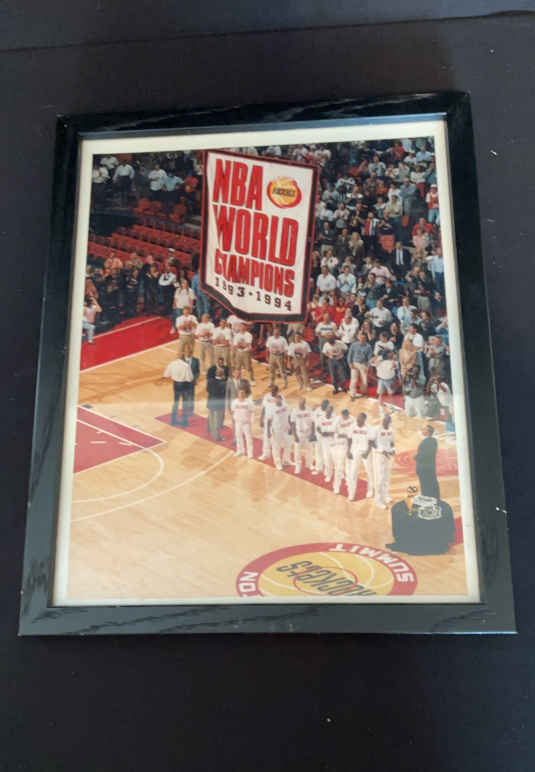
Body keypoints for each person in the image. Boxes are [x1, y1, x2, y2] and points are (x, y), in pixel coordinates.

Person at [346, 412, 375, 501]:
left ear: (364, 419)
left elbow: (371, 442)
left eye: (360, 418)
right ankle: (351, 494)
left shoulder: (369, 428)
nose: (358, 419)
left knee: (369, 472)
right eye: (357, 418)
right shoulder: (352, 427)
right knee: (353, 473)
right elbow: (349, 439)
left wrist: (367, 452)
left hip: (366, 452)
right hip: (355, 451)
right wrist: (348, 451)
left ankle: (370, 490)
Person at [163, 353, 194, 427]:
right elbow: (190, 378)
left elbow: (166, 374)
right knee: (184, 404)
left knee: (175, 403)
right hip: (184, 385)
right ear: (183, 358)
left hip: (176, 385)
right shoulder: (186, 366)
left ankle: (173, 421)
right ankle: (184, 423)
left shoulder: (172, 364)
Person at [374, 413, 395, 509]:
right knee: (380, 478)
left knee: (387, 477)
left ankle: (386, 496)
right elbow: (372, 443)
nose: (385, 422)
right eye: (384, 420)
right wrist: (381, 451)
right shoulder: (377, 429)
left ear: (389, 422)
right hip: (380, 456)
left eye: (387, 421)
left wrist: (393, 449)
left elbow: (392, 442)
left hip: (389, 455)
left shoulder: (391, 430)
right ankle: (378, 501)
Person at [259, 386, 286, 462]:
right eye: (271, 391)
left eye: (274, 391)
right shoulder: (266, 396)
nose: (272, 392)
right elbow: (264, 408)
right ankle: (265, 454)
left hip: (276, 423)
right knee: (266, 439)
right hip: (267, 420)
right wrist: (261, 418)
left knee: (275, 442)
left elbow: (283, 410)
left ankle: (277, 459)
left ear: (277, 391)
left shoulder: (281, 398)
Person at [206, 358, 229, 441]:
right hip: (219, 404)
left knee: (211, 417)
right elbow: (225, 393)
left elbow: (207, 390)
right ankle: (216, 437)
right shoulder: (224, 383)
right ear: (223, 375)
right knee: (218, 421)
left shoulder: (210, 381)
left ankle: (209, 430)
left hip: (211, 402)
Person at [414, 425, 440, 498]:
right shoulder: (433, 440)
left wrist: (415, 457)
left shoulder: (426, 442)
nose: (422, 431)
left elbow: (424, 454)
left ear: (428, 432)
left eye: (424, 429)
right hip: (430, 466)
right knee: (432, 483)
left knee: (425, 485)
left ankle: (427, 498)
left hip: (424, 467)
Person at [268, 394, 291, 471]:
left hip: (285, 429)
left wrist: (290, 426)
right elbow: (269, 420)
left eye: (279, 399)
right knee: (276, 447)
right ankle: (277, 463)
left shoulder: (285, 405)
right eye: (276, 400)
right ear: (275, 401)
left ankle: (285, 460)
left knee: (288, 444)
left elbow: (289, 416)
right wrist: (268, 431)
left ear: (281, 400)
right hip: (276, 430)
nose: (278, 401)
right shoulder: (272, 408)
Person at [291, 398, 314, 474]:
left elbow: (313, 422)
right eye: (299, 404)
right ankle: (298, 467)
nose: (300, 405)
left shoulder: (309, 410)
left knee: (310, 449)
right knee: (297, 452)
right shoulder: (295, 411)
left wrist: (312, 433)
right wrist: (295, 435)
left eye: (301, 404)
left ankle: (309, 464)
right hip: (299, 433)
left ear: (304, 403)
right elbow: (292, 424)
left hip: (308, 433)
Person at [347, 331, 373, 399]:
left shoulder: (368, 346)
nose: (362, 339)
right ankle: (352, 393)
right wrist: (350, 363)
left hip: (363, 364)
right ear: (358, 337)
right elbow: (350, 355)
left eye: (364, 338)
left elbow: (369, 358)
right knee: (354, 380)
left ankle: (363, 393)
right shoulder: (353, 345)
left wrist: (368, 366)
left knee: (364, 380)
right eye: (361, 337)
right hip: (355, 364)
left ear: (366, 338)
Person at [231, 388, 255, 459]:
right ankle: (240, 451)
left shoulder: (249, 402)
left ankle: (250, 453)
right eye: (240, 393)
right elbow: (233, 411)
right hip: (238, 422)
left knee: (248, 438)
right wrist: (234, 419)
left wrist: (251, 420)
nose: (241, 394)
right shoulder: (234, 402)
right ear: (238, 394)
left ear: (245, 394)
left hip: (246, 423)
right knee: (238, 437)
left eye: (242, 393)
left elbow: (252, 411)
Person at [317, 404, 337, 483]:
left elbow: (336, 430)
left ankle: (339, 473)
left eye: (330, 411)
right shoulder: (321, 418)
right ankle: (329, 475)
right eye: (327, 411)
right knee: (327, 458)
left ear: (332, 412)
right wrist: (321, 432)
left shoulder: (335, 419)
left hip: (333, 441)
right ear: (325, 411)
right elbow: (318, 427)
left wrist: (328, 433)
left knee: (335, 459)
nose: (328, 412)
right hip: (324, 442)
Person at [181, 343, 200, 425]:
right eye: (186, 351)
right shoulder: (181, 360)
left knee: (191, 397)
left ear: (192, 352)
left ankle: (191, 412)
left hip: (191, 382)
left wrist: (195, 378)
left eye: (189, 352)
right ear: (184, 352)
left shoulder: (196, 360)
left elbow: (197, 372)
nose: (188, 353)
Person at [311, 399, 329, 476]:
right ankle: (319, 469)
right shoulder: (317, 411)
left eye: (325, 405)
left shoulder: (330, 413)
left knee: (326, 454)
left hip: (326, 436)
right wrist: (312, 433)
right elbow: (313, 422)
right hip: (318, 435)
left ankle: (327, 470)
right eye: (323, 405)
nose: (323, 406)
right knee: (318, 453)